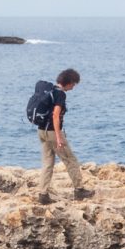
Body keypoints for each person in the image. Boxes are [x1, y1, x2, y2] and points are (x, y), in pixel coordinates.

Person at [35, 68, 94, 205]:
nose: (73, 87)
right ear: (69, 82)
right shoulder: (60, 94)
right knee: (70, 160)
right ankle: (79, 190)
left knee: (47, 163)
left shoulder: (50, 90)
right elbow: (56, 115)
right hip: (52, 132)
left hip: (41, 131)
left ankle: (43, 194)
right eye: (74, 84)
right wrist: (59, 137)